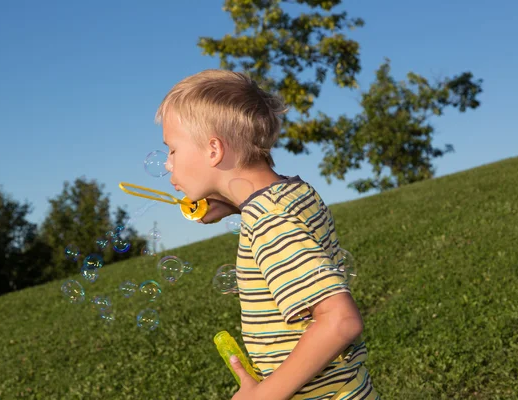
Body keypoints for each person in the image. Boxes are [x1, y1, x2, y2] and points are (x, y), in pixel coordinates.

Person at [155, 69, 379, 400]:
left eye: (172, 150)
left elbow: (340, 321)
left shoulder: (269, 221)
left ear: (214, 150)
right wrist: (234, 205)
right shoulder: (291, 194)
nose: (168, 165)